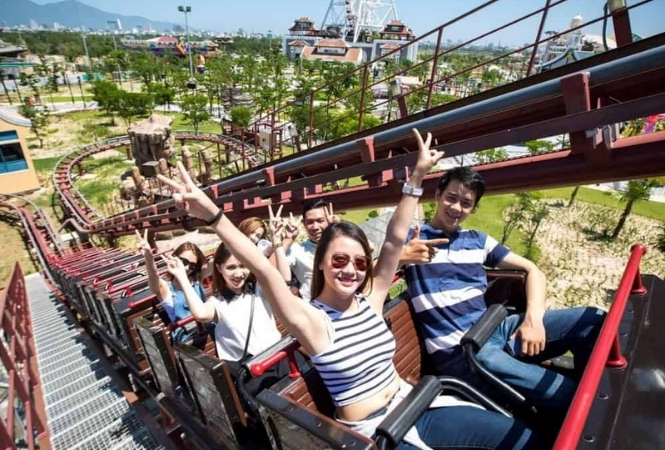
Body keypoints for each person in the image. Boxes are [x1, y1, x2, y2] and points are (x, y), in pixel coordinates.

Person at [158, 132, 542, 450]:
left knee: (524, 439)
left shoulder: (370, 300)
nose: (350, 269)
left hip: (417, 403)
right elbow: (261, 266)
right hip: (379, 434)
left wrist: (418, 176)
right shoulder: (312, 320)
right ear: (321, 263)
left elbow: (394, 240)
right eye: (339, 260)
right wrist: (214, 216)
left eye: (359, 263)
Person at [400, 165, 605, 418]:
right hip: (464, 352)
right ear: (437, 195)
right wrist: (402, 256)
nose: (456, 208)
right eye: (451, 198)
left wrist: (533, 321)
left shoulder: (478, 240)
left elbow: (533, 270)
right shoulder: (414, 241)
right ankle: (579, 413)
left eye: (466, 203)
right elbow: (373, 272)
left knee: (593, 320)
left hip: (494, 329)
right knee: (567, 394)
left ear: (474, 208)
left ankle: (582, 391)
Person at [169, 204, 293, 396]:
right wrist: (182, 278)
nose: (239, 274)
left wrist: (277, 241)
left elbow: (284, 278)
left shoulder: (258, 289)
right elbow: (201, 314)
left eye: (243, 266)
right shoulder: (217, 303)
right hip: (252, 372)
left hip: (279, 358)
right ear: (219, 268)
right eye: (231, 268)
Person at [137, 230, 206, 343]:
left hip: (207, 328)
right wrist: (149, 257)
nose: (187, 268)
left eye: (192, 265)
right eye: (183, 262)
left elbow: (217, 264)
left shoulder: (196, 278)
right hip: (187, 338)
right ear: (174, 257)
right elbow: (153, 276)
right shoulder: (164, 286)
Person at [282, 199, 339, 301]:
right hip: (313, 308)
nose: (315, 227)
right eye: (310, 222)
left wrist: (339, 227)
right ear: (303, 224)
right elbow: (268, 270)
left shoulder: (342, 244)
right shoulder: (297, 250)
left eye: (320, 221)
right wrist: (288, 239)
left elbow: (368, 250)